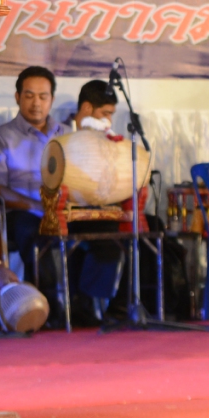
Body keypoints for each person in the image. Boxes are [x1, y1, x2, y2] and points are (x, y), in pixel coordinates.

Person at [61, 80, 129, 323]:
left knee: (150, 226)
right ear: (87, 108)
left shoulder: (107, 139)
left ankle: (122, 306)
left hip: (101, 207)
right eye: (106, 113)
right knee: (111, 234)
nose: (109, 120)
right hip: (69, 211)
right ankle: (87, 302)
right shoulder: (61, 136)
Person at [0, 66, 58, 285]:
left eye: (43, 97)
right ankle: (47, 298)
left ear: (52, 100)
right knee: (30, 228)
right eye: (29, 96)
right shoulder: (1, 136)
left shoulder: (65, 134)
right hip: (21, 213)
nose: (36, 103)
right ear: (17, 97)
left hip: (62, 212)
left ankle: (87, 299)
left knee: (107, 231)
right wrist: (38, 207)